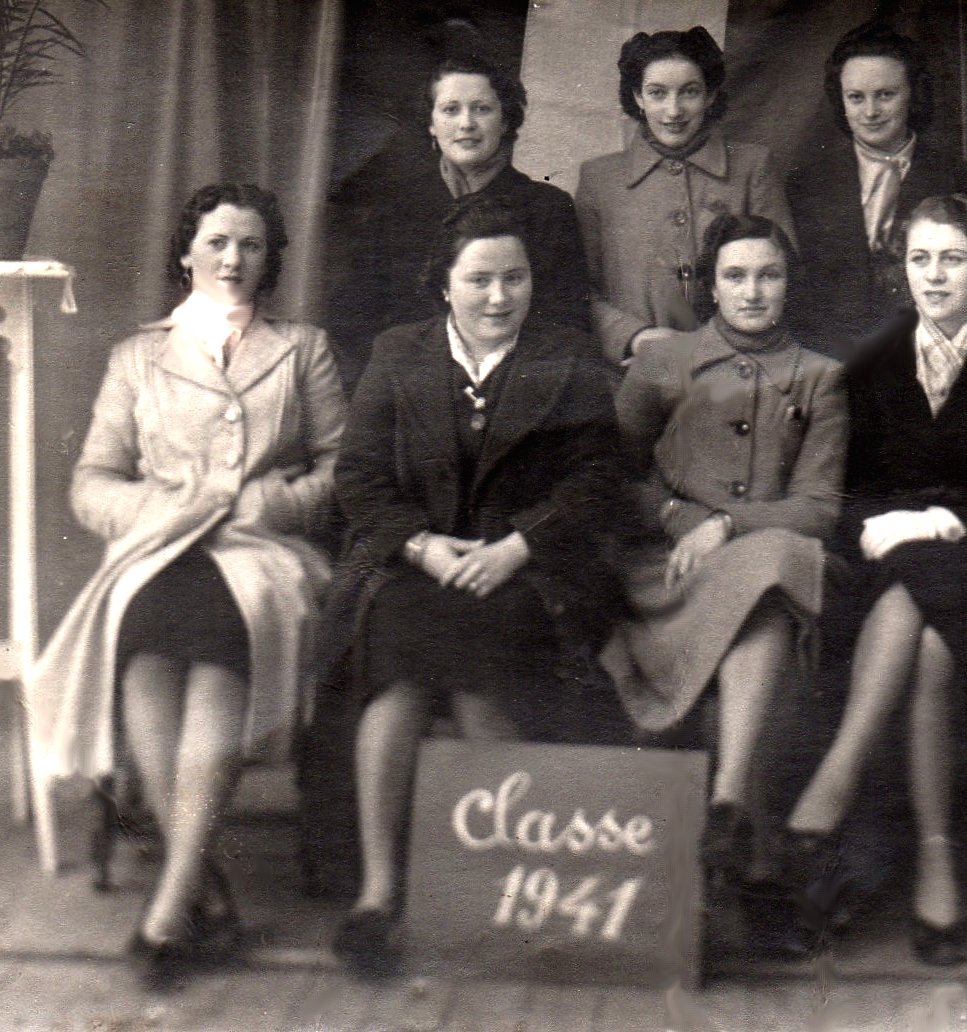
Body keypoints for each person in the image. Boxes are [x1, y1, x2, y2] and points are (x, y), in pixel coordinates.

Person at [29, 184, 346, 989]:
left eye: (251, 245)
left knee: (221, 636)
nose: (233, 259)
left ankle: (171, 903)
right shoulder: (138, 357)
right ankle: (194, 888)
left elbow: (344, 470)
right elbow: (91, 483)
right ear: (186, 253)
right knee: (144, 635)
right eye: (217, 243)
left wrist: (276, 503)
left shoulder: (302, 349)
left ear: (271, 259)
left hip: (262, 552)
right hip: (162, 549)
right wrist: (162, 510)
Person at [323, 195, 626, 980]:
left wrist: (518, 546)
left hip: (531, 571)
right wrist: (422, 546)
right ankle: (378, 892)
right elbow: (357, 476)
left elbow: (598, 479)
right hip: (414, 565)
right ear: (444, 284)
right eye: (480, 280)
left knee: (484, 668)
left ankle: (499, 892)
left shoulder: (566, 357)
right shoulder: (399, 353)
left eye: (515, 278)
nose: (499, 297)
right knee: (396, 671)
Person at [774, 194, 967, 964]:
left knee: (930, 613)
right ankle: (937, 871)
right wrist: (907, 528)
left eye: (953, 259)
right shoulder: (875, 362)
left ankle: (836, 780)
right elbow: (854, 496)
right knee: (931, 636)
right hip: (898, 576)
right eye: (919, 259)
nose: (934, 276)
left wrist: (933, 522)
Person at [601, 212, 846, 887]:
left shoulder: (820, 377)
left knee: (776, 568)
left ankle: (728, 804)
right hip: (670, 572)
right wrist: (680, 518)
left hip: (766, 562)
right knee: (772, 596)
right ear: (711, 285)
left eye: (769, 275)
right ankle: (738, 828)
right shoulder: (663, 363)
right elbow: (609, 475)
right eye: (735, 276)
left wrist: (728, 526)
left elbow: (819, 507)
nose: (753, 291)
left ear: (790, 283)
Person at [324, 52, 589, 389]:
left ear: (505, 120)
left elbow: (565, 325)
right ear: (431, 124)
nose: (466, 123)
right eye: (451, 109)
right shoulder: (394, 207)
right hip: (411, 392)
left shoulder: (547, 209)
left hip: (512, 393)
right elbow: (351, 318)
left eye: (482, 109)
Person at [576, 27, 796, 365]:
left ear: (710, 95)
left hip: (738, 367)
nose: (673, 110)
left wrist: (720, 347)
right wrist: (634, 337)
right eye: (657, 93)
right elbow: (576, 290)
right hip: (633, 371)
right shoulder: (600, 179)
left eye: (689, 92)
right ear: (637, 97)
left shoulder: (753, 168)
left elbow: (781, 276)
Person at [786, 21, 967, 356]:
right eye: (856, 97)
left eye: (885, 95)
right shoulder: (806, 183)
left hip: (926, 355)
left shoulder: (962, 180)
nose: (870, 112)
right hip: (827, 359)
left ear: (913, 94)